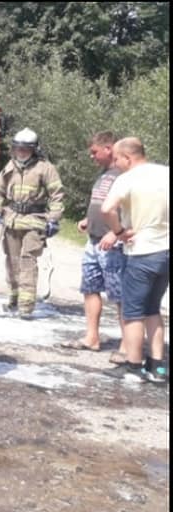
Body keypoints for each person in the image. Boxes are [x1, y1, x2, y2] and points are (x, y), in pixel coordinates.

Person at [101, 137, 169, 383]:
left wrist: (119, 232)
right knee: (153, 309)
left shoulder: (127, 178)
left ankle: (133, 365)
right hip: (166, 251)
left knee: (132, 312)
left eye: (117, 159)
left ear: (128, 157)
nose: (116, 164)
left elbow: (107, 209)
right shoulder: (165, 173)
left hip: (142, 252)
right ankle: (158, 367)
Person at [59, 132, 128, 359]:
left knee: (120, 296)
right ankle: (92, 338)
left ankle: (128, 346)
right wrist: (88, 220)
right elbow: (100, 203)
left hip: (114, 244)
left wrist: (117, 234)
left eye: (95, 152)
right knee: (90, 288)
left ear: (109, 149)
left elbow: (131, 210)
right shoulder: (104, 174)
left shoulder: (125, 175)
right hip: (93, 241)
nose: (92, 156)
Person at [0, 128, 65, 319]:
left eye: (26, 149)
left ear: (34, 149)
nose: (21, 152)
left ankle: (26, 305)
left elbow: (57, 195)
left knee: (27, 261)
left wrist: (54, 219)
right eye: (18, 148)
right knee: (12, 262)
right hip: (12, 220)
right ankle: (14, 297)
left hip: (34, 221)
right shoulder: (9, 167)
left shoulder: (45, 168)